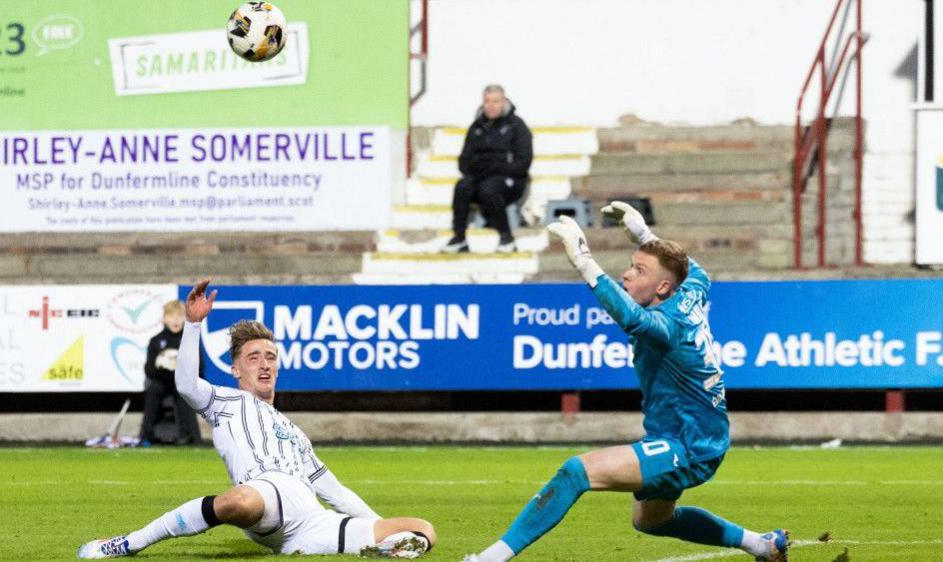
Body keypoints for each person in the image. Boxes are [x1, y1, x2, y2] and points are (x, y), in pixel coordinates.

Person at [463, 202, 789, 561]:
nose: (627, 275)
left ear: (663, 286)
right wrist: (644, 234)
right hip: (694, 437)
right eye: (631, 265)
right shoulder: (690, 291)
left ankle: (488, 558)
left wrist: (585, 262)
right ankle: (762, 544)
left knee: (576, 472)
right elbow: (695, 271)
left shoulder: (668, 325)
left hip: (688, 445)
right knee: (651, 522)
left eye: (639, 269)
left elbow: (632, 319)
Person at [79, 280, 436, 559]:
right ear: (234, 369)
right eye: (253, 357)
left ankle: (369, 549)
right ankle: (127, 544)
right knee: (239, 503)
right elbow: (186, 384)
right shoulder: (227, 402)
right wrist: (192, 325)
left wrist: (375, 525)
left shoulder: (297, 434)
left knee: (423, 530)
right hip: (264, 495)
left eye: (270, 356)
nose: (264, 363)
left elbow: (337, 493)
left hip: (312, 524)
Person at [441, 84, 533, 254]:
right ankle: (459, 238)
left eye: (495, 101)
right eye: (487, 101)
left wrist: (496, 168)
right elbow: (463, 162)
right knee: (462, 186)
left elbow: (523, 163)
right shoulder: (476, 127)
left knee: (489, 189)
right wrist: (478, 169)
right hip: (481, 177)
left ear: (504, 102)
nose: (491, 106)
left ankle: (506, 237)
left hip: (511, 180)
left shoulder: (517, 126)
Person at [138, 300, 202, 445]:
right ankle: (145, 436)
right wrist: (166, 369)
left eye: (180, 316)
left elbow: (199, 369)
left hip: (183, 383)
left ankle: (190, 437)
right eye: (171, 316)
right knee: (153, 389)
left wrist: (181, 372)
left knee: (184, 392)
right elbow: (149, 370)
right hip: (161, 381)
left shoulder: (190, 341)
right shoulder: (155, 341)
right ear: (164, 318)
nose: (176, 320)